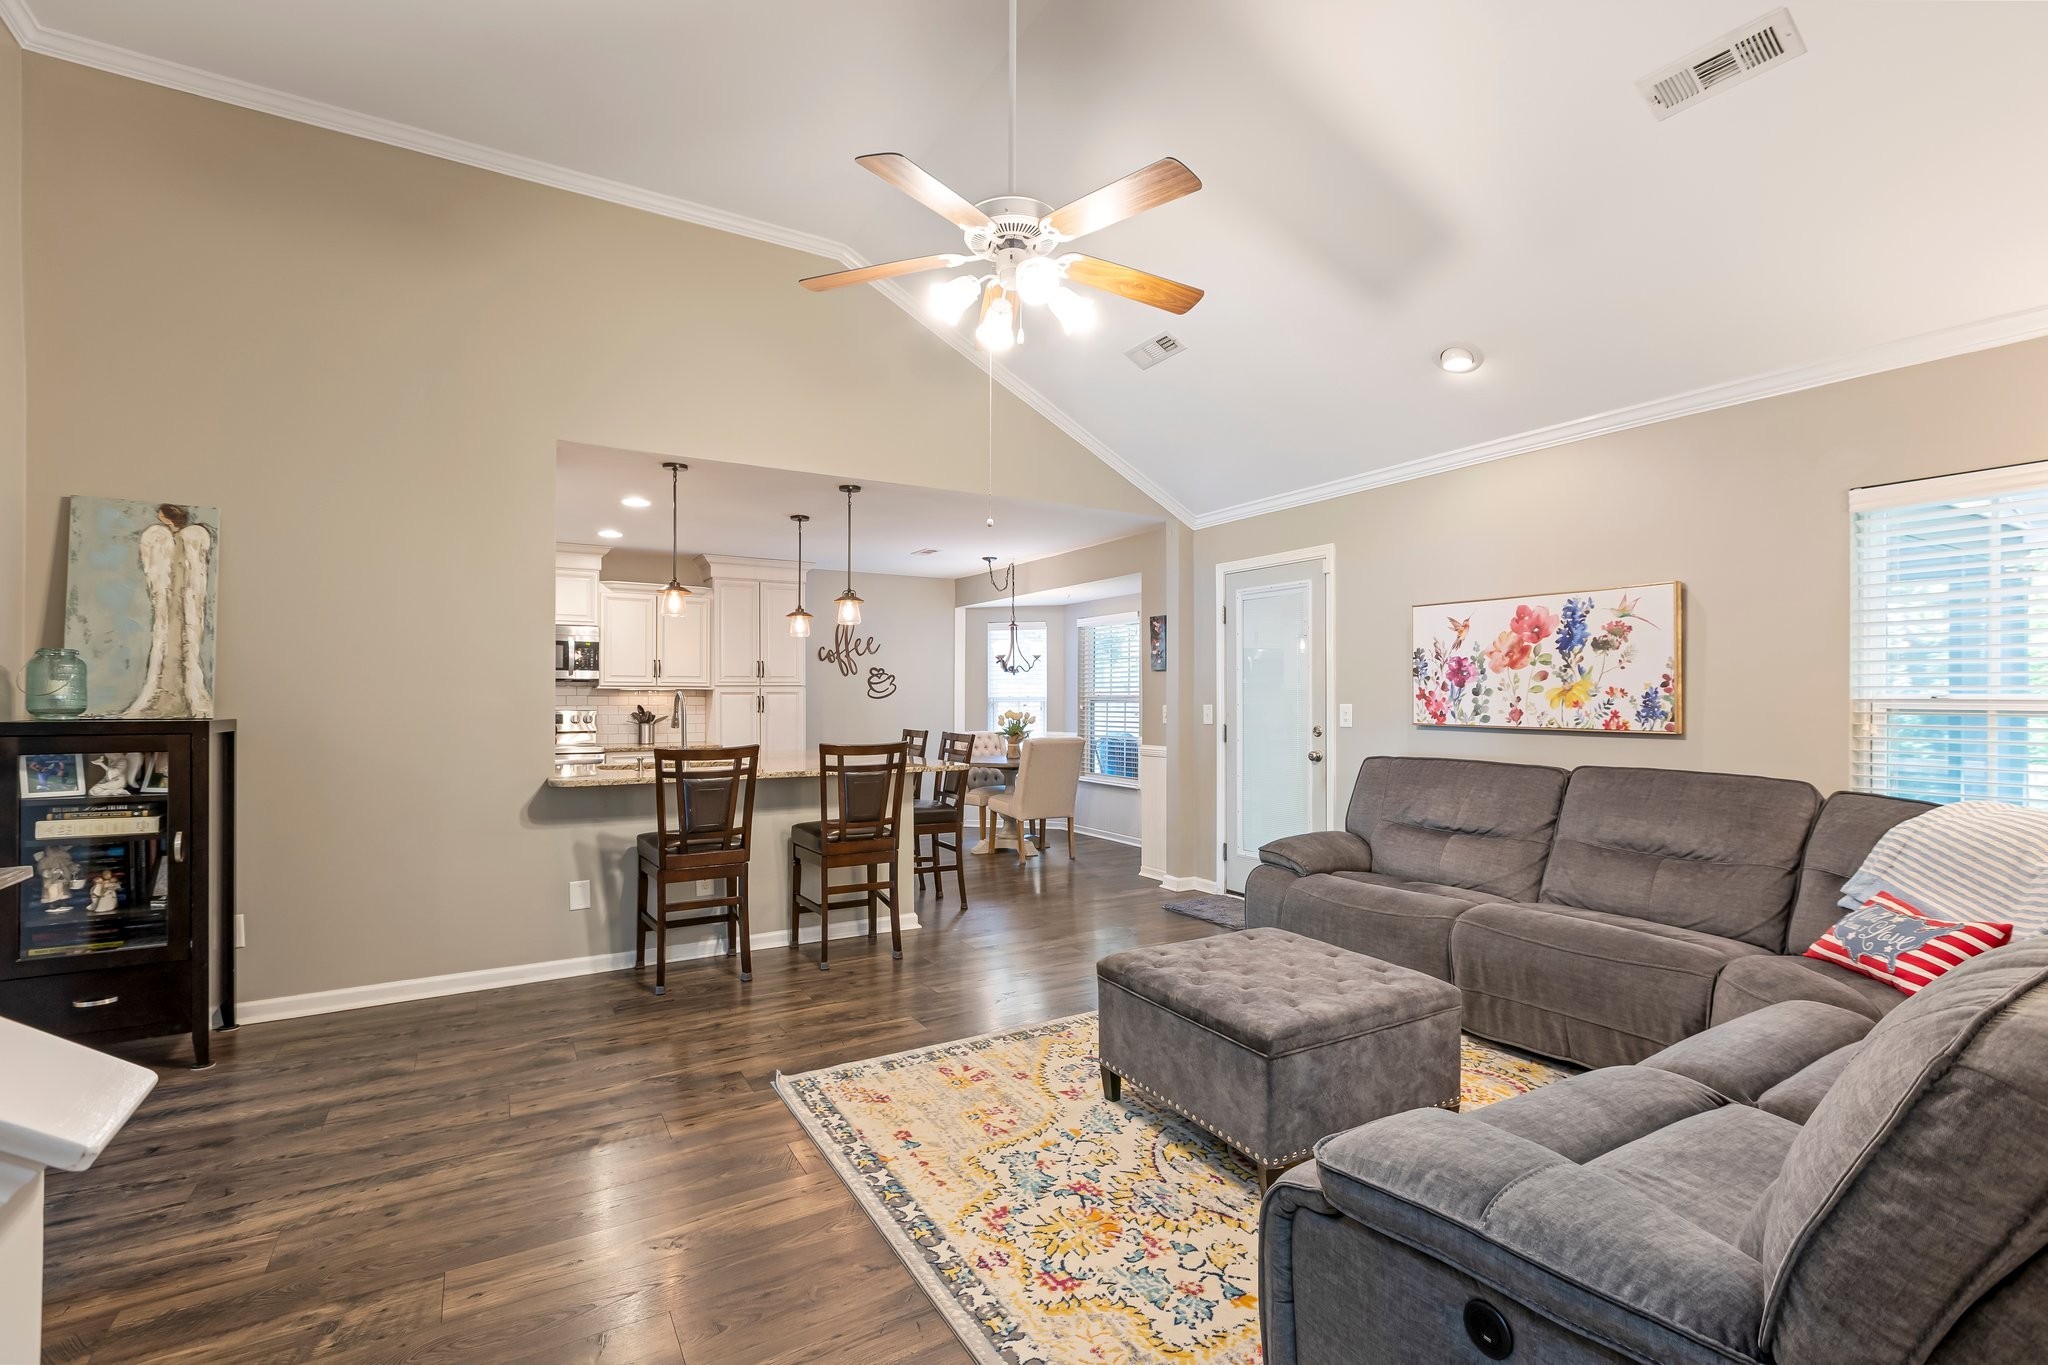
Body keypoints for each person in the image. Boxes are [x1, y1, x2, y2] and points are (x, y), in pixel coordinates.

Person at [124, 503, 214, 717]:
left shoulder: (190, 537)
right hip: (170, 605)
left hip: (182, 603)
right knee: (168, 640)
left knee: (182, 639)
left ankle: (186, 693)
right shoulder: (162, 538)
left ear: (167, 517)